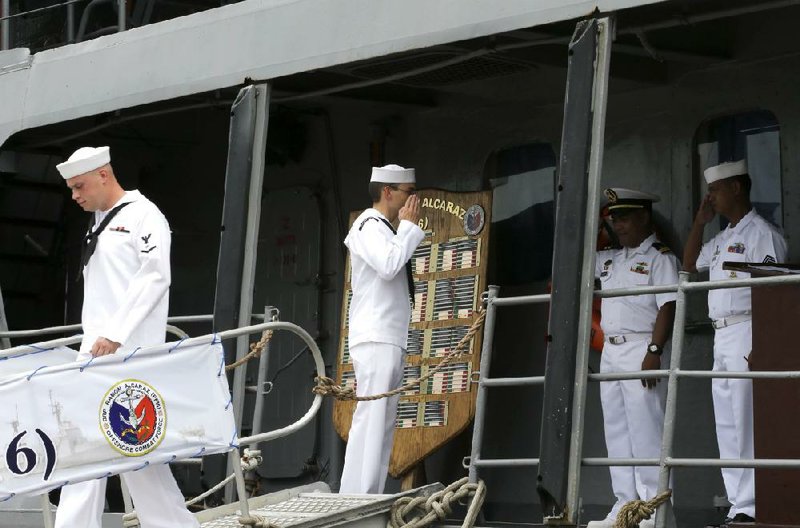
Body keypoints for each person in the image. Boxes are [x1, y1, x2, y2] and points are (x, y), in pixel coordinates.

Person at [55, 146, 199, 528]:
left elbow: (155, 276)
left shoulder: (143, 216)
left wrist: (115, 335)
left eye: (79, 186)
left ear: (104, 175)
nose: (74, 196)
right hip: (96, 352)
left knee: (131, 452)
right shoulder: (99, 219)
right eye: (70, 188)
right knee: (103, 451)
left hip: (129, 354)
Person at [683, 160, 787, 527]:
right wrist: (699, 223)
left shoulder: (762, 234)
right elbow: (691, 262)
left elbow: (776, 292)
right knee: (726, 424)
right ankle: (737, 505)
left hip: (748, 330)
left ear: (737, 189)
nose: (710, 197)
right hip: (721, 334)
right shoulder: (724, 237)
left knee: (747, 422)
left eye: (716, 190)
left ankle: (754, 505)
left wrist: (767, 341)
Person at [588, 188, 679, 528]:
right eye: (614, 219)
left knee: (647, 434)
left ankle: (654, 510)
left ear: (644, 217)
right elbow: (577, 256)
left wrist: (654, 352)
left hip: (642, 348)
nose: (618, 225)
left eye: (624, 217)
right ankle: (624, 505)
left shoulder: (660, 257)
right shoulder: (611, 258)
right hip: (611, 351)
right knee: (617, 432)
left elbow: (668, 305)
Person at [339, 164, 424, 494]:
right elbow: (389, 265)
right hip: (376, 336)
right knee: (373, 420)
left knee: (380, 421)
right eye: (409, 192)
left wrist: (403, 229)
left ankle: (360, 494)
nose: (413, 199)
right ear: (388, 192)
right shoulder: (369, 226)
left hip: (386, 336)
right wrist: (408, 228)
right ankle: (360, 496)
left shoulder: (384, 228)